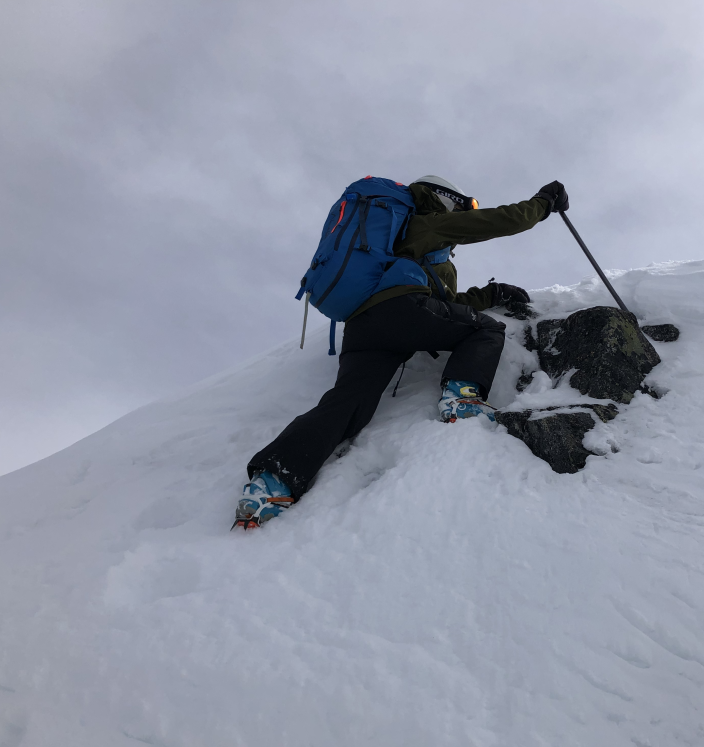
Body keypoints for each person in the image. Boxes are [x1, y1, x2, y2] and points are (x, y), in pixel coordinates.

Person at [234, 176, 569, 527]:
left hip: (365, 327)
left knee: (347, 403)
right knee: (485, 329)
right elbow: (497, 221)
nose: (466, 210)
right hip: (403, 311)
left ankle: (272, 481)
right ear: (444, 199)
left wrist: (493, 293)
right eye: (462, 205)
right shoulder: (425, 223)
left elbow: (447, 305)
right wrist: (542, 204)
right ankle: (461, 399)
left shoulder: (406, 250)